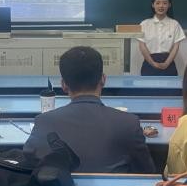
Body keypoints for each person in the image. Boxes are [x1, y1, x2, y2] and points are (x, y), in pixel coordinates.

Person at [23, 46, 155, 173]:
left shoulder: (44, 122)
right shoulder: (128, 123)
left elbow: (28, 164)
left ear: (63, 85)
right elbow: (146, 173)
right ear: (103, 79)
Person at [138, 0, 185, 76]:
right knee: (148, 85)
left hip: (168, 64)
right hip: (149, 64)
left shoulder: (175, 24)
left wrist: (166, 63)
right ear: (153, 5)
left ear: (169, 5)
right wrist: (152, 63)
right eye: (158, 3)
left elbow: (176, 47)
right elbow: (142, 46)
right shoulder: (144, 24)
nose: (161, 6)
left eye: (164, 3)